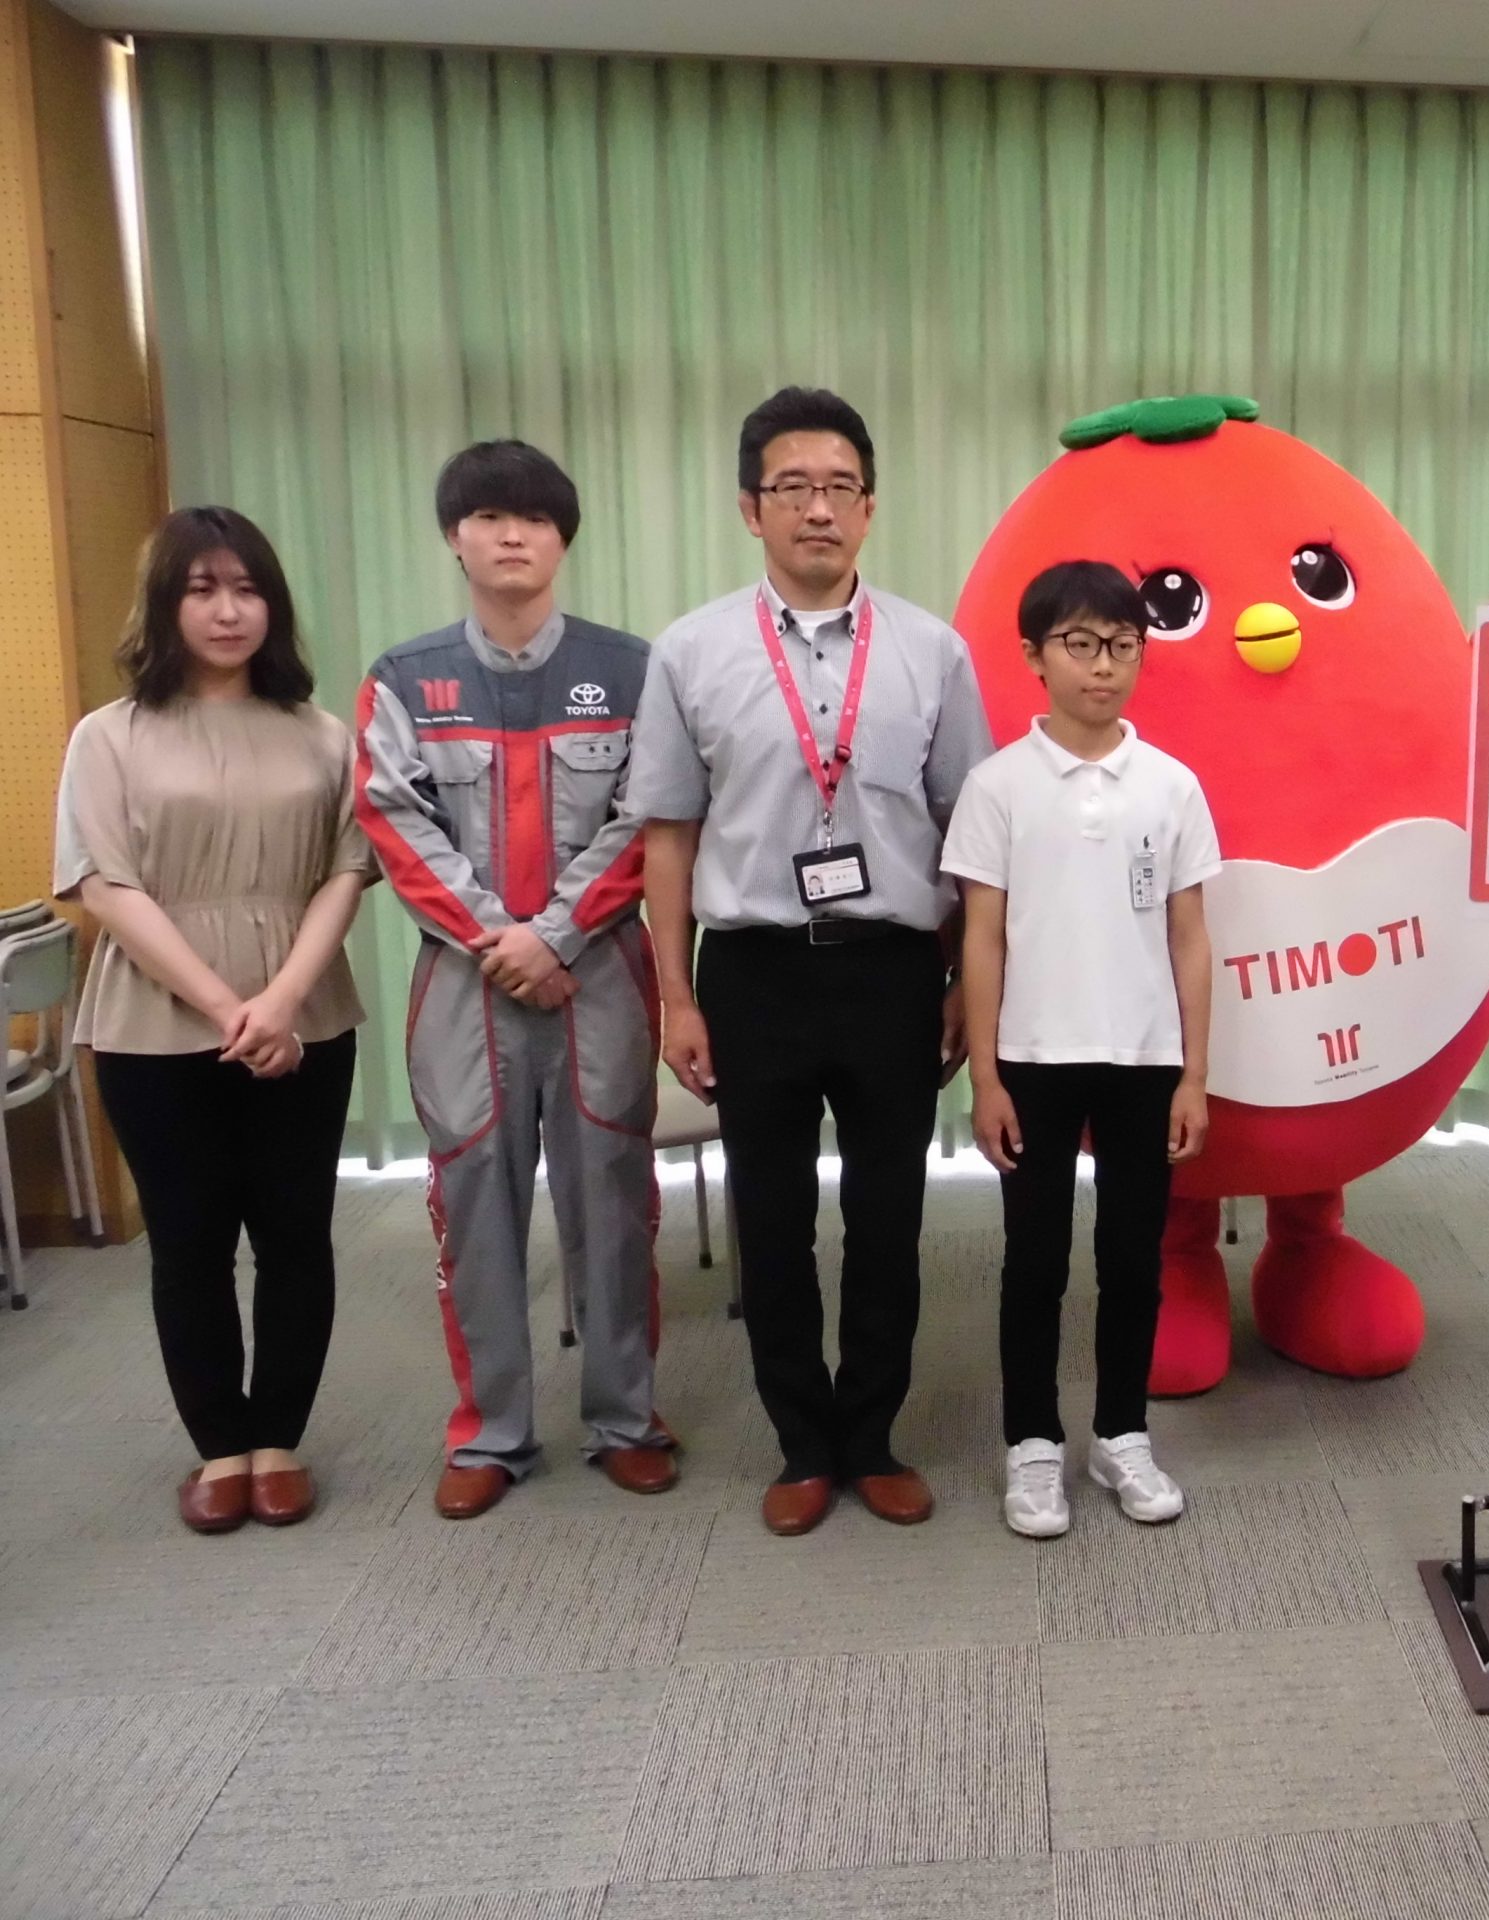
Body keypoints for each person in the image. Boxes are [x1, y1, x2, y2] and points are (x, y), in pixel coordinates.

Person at [630, 386, 994, 1537]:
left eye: (840, 487)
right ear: (751, 509)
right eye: (793, 487)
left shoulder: (933, 653)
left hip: (893, 967)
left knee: (889, 1217)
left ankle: (871, 1435)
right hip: (753, 973)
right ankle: (800, 1443)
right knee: (771, 1219)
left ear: (871, 508)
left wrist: (959, 990)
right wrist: (676, 995)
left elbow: (972, 836)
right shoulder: (689, 653)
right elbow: (669, 836)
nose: (819, 509)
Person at [355, 440, 673, 1519]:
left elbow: (651, 820)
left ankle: (625, 1417)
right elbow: (394, 822)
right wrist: (502, 939)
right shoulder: (405, 679)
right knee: (472, 1203)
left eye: (533, 520)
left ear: (562, 538)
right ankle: (490, 1433)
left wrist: (560, 934)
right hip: (465, 984)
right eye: (488, 517)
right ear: (455, 536)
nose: (511, 536)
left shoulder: (633, 671)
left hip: (602, 981)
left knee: (616, 1203)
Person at [53, 507, 370, 1534]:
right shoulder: (108, 736)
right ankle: (218, 1447)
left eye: (247, 589)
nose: (228, 610)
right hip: (154, 1026)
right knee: (187, 1242)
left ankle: (278, 1439)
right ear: (166, 604)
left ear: (272, 606)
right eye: (203, 589)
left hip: (305, 1016)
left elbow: (347, 873)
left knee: (294, 1236)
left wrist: (280, 1002)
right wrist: (230, 1005)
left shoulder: (325, 735)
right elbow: (106, 887)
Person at [942, 561, 1218, 1538]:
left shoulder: (1173, 786)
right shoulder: (997, 785)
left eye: (1123, 646)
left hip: (1144, 1057)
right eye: (1081, 645)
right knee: (1036, 1260)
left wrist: (1193, 1072)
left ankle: (1122, 1435)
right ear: (1034, 655)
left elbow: (1190, 935)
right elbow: (981, 934)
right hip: (1032, 1055)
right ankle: (1031, 1447)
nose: (1105, 667)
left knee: (1134, 1257)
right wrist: (984, 1074)